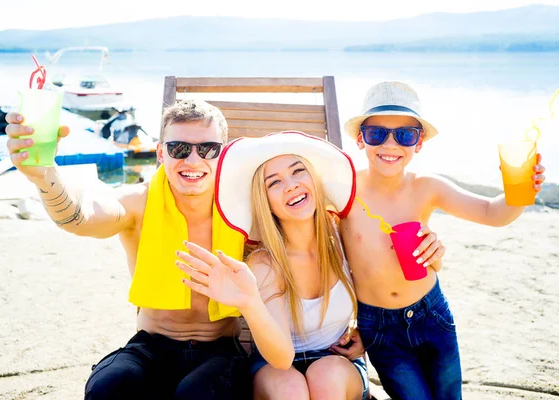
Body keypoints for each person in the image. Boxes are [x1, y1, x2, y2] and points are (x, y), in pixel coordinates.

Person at [5, 99, 249, 400]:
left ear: (222, 154)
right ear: (161, 153)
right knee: (109, 388)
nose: (194, 160)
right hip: (151, 345)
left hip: (220, 350)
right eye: (179, 149)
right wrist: (44, 175)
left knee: (199, 394)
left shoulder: (243, 208)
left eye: (208, 149)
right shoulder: (139, 203)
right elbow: (81, 218)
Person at [173, 131, 444, 400]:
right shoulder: (265, 264)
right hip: (274, 365)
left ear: (314, 180)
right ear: (264, 201)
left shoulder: (343, 236)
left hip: (337, 360)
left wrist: (432, 256)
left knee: (326, 377)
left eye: (298, 171)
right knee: (290, 389)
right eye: (274, 182)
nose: (290, 185)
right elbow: (281, 359)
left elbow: (385, 283)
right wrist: (249, 304)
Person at [341, 81, 547, 399]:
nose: (390, 144)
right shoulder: (344, 193)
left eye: (405, 134)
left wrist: (520, 191)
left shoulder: (428, 187)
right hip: (378, 325)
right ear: (360, 139)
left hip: (431, 314)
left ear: (419, 143)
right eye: (377, 133)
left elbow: (493, 213)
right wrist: (348, 324)